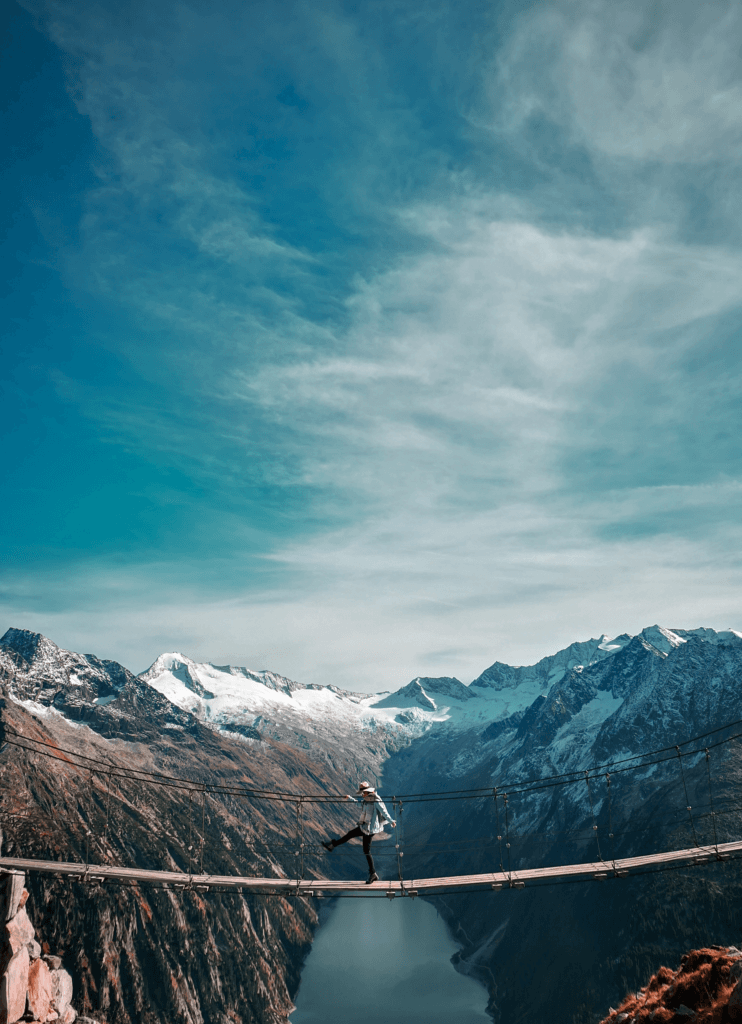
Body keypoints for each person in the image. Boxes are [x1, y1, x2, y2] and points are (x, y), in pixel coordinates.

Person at [322, 781, 396, 884]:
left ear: (368, 792)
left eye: (363, 793)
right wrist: (350, 798)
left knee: (365, 849)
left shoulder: (375, 801)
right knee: (352, 836)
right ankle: (332, 845)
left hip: (370, 829)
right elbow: (359, 803)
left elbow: (384, 811)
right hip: (364, 826)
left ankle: (373, 873)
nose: (362, 795)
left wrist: (391, 821)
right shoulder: (366, 800)